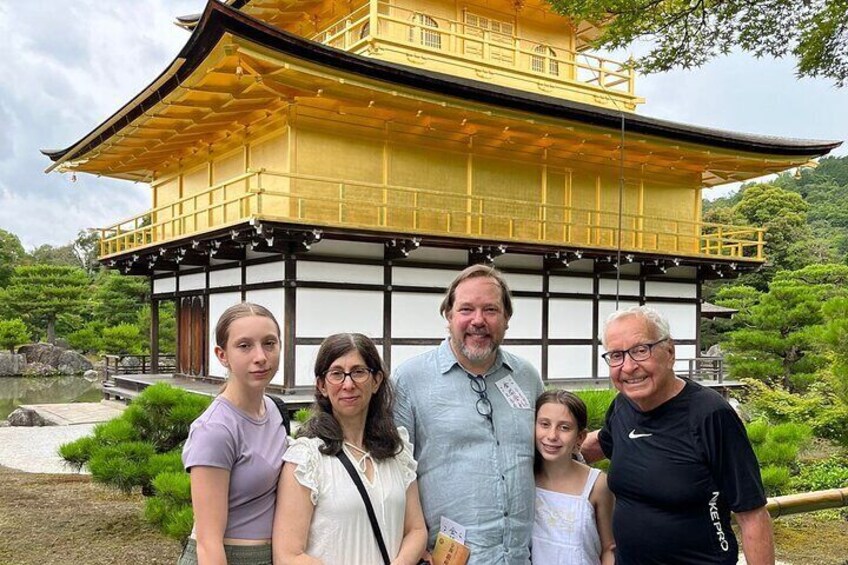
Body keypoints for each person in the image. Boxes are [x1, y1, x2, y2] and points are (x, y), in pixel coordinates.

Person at [583, 305, 774, 565]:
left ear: (669, 352)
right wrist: (540, 453)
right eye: (616, 355)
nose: (628, 367)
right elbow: (601, 443)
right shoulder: (622, 406)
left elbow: (752, 514)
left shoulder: (710, 415)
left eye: (641, 350)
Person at [393, 264, 545, 564]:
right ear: (448, 317)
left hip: (520, 557)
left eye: (490, 310)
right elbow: (391, 471)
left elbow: (550, 453)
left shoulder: (526, 377)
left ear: (506, 319)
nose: (478, 320)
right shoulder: (409, 379)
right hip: (445, 558)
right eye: (466, 310)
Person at [273, 333, 427, 564]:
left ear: (376, 381)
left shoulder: (396, 450)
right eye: (336, 374)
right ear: (322, 385)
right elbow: (288, 555)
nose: (348, 384)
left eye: (358, 372)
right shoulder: (307, 457)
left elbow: (416, 529)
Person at [179, 302, 288, 565]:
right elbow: (208, 542)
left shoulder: (273, 409)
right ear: (222, 355)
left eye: (269, 343)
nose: (260, 356)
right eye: (244, 346)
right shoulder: (215, 430)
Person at [533, 390, 615, 565]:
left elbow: (609, 547)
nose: (552, 436)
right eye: (544, 424)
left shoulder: (597, 485)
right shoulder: (524, 479)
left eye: (564, 427)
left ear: (580, 437)